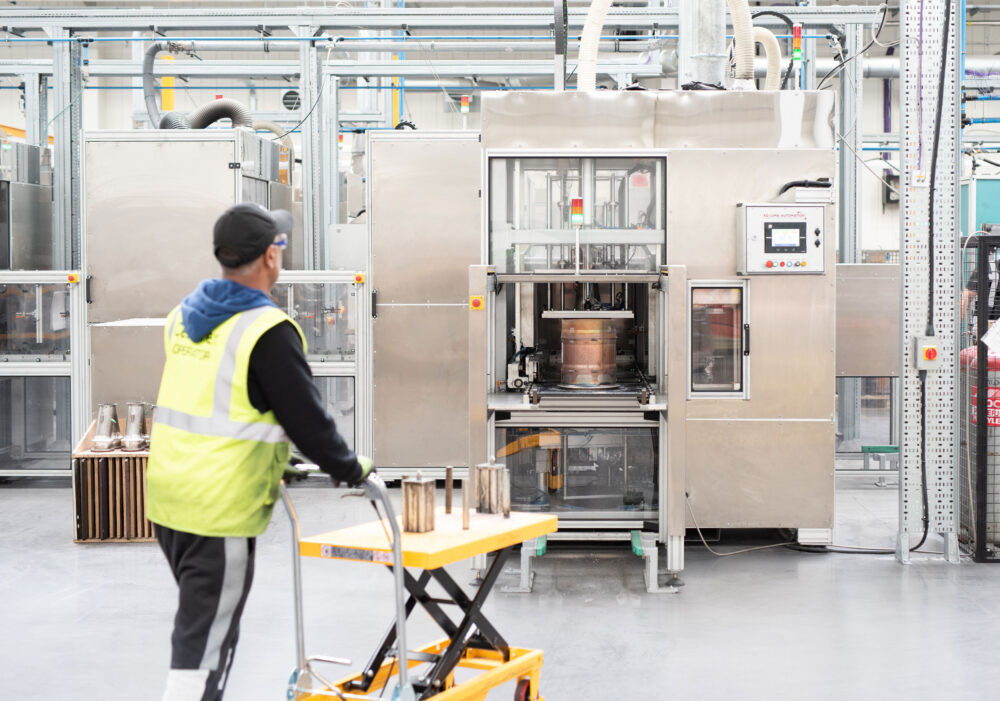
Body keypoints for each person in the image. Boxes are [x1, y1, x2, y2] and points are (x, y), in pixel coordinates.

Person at [145, 203, 373, 701]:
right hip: (217, 512)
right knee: (204, 644)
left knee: (202, 625)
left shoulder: (183, 316)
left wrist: (272, 458)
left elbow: (220, 402)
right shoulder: (266, 331)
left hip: (168, 501)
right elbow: (308, 423)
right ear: (271, 255)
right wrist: (351, 468)